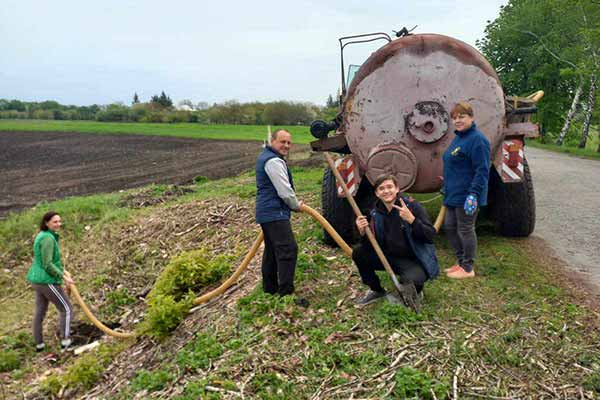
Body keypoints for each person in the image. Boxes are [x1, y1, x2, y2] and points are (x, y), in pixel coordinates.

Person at [352, 174, 439, 306]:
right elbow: (370, 245)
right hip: (388, 257)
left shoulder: (412, 207)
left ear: (397, 189)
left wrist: (412, 220)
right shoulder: (374, 213)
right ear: (376, 193)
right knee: (359, 253)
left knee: (413, 280)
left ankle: (416, 289)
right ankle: (376, 290)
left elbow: (430, 236)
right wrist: (363, 232)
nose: (386, 191)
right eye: (381, 188)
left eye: (389, 187)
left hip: (413, 259)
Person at [255, 129, 305, 302]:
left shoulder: (267, 157)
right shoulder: (273, 161)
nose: (286, 146)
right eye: (282, 142)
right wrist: (296, 205)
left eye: (289, 143)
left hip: (267, 212)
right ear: (272, 141)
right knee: (288, 249)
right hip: (274, 212)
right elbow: (284, 190)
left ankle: (269, 289)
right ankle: (286, 294)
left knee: (272, 250)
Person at [442, 102, 491, 279]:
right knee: (450, 227)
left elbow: (482, 170)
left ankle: (468, 268)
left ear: (471, 117)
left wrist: (473, 194)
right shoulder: (459, 137)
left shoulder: (478, 140)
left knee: (465, 229)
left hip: (467, 195)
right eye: (454, 118)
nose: (457, 121)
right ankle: (461, 262)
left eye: (461, 117)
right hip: (453, 193)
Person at [26, 211, 75, 352]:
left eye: (60, 221)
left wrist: (62, 272)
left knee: (40, 312)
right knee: (67, 309)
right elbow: (48, 264)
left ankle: (39, 344)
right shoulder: (47, 238)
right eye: (55, 222)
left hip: (37, 279)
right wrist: (64, 277)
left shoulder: (41, 235)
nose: (58, 224)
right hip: (46, 281)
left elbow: (46, 261)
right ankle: (66, 342)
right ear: (46, 222)